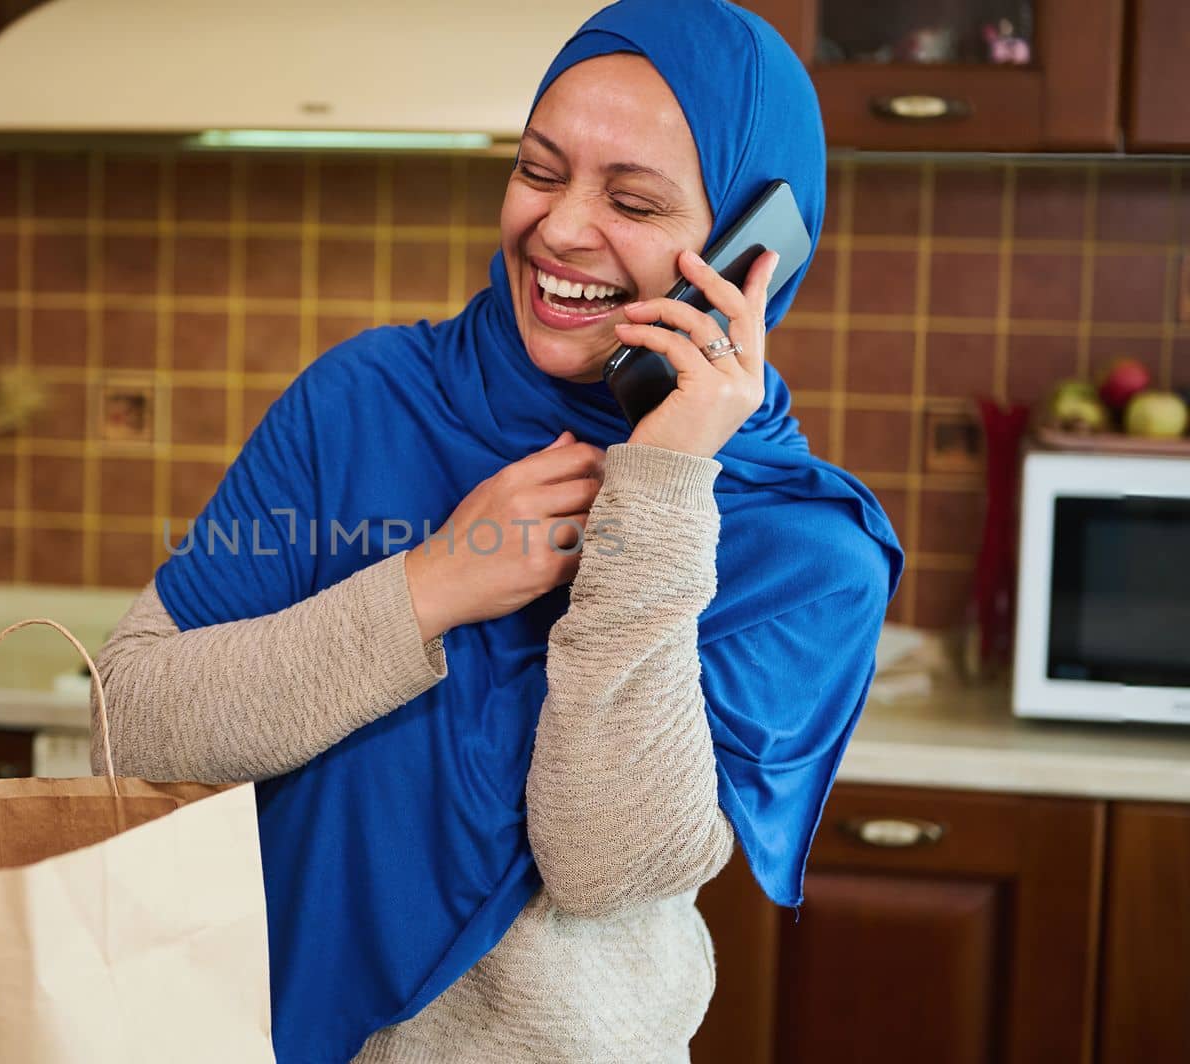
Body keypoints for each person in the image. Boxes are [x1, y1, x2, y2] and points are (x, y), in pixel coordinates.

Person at [92, 1, 903, 1060]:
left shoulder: (803, 553)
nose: (560, 229)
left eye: (631, 199)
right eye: (537, 169)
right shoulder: (363, 401)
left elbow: (602, 862)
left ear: (753, 252)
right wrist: (435, 582)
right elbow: (128, 728)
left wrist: (659, 490)